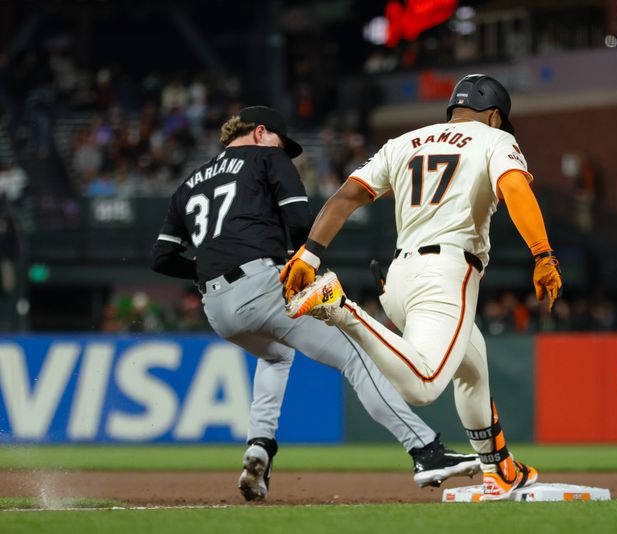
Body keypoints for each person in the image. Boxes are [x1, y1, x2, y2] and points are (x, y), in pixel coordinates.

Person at [150, 105, 479, 502]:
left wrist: (211, 271)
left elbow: (162, 258)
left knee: (275, 357)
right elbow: (302, 222)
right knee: (359, 356)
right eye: (278, 141)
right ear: (259, 132)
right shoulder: (266, 157)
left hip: (217, 306)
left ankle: (259, 447)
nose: (281, 151)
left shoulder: (189, 183)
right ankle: (425, 451)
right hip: (261, 284)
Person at [282, 75, 563, 501]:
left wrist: (309, 254)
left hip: (400, 277)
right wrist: (543, 254)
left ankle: (499, 468)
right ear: (493, 115)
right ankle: (340, 307)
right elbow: (514, 186)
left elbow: (345, 196)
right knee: (425, 384)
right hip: (446, 273)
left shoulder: (405, 141)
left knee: (472, 370)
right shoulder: (491, 137)